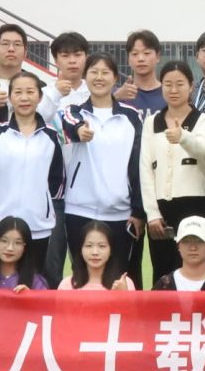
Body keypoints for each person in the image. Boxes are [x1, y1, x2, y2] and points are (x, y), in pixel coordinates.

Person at [59, 55, 147, 277]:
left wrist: (138, 211)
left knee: (120, 277)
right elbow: (69, 124)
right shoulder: (74, 112)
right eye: (94, 72)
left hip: (121, 213)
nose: (99, 77)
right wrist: (79, 130)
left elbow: (139, 165)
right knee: (82, 276)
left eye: (105, 72)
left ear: (115, 78)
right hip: (79, 210)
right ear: (85, 76)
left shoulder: (131, 117)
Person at [0, 72, 67, 285]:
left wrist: (43, 203)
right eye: (18, 92)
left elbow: (56, 177)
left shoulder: (51, 135)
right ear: (10, 97)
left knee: (33, 281)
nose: (24, 98)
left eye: (30, 92)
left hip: (37, 223)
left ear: (40, 97)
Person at [141, 60, 205, 282]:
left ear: (191, 86)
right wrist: (152, 213)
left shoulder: (203, 120)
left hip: (194, 205)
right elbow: (146, 170)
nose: (173, 90)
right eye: (168, 84)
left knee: (195, 268)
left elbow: (203, 148)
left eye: (180, 84)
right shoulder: (152, 122)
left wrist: (183, 137)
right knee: (163, 272)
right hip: (161, 210)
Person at [0, 23, 38, 132]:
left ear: (25, 52)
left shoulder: (39, 86)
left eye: (17, 44)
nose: (11, 49)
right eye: (5, 44)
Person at [156, 215, 205, 291]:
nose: (193, 248)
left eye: (199, 241)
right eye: (186, 241)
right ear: (178, 245)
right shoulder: (164, 285)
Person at [59, 220, 136, 291]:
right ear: (81, 250)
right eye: (89, 246)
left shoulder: (124, 283)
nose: (95, 252)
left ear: (111, 250)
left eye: (102, 246)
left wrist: (123, 294)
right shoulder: (67, 284)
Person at [38, 31, 91, 125]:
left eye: (77, 55)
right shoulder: (44, 93)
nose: (72, 61)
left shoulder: (94, 91)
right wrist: (56, 93)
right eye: (65, 56)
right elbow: (37, 121)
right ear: (56, 61)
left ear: (86, 58)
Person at [117, 29, 166, 114]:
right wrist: (114, 98)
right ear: (128, 59)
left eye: (146, 53)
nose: (141, 59)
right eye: (135, 54)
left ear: (158, 57)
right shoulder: (119, 95)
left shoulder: (169, 94)